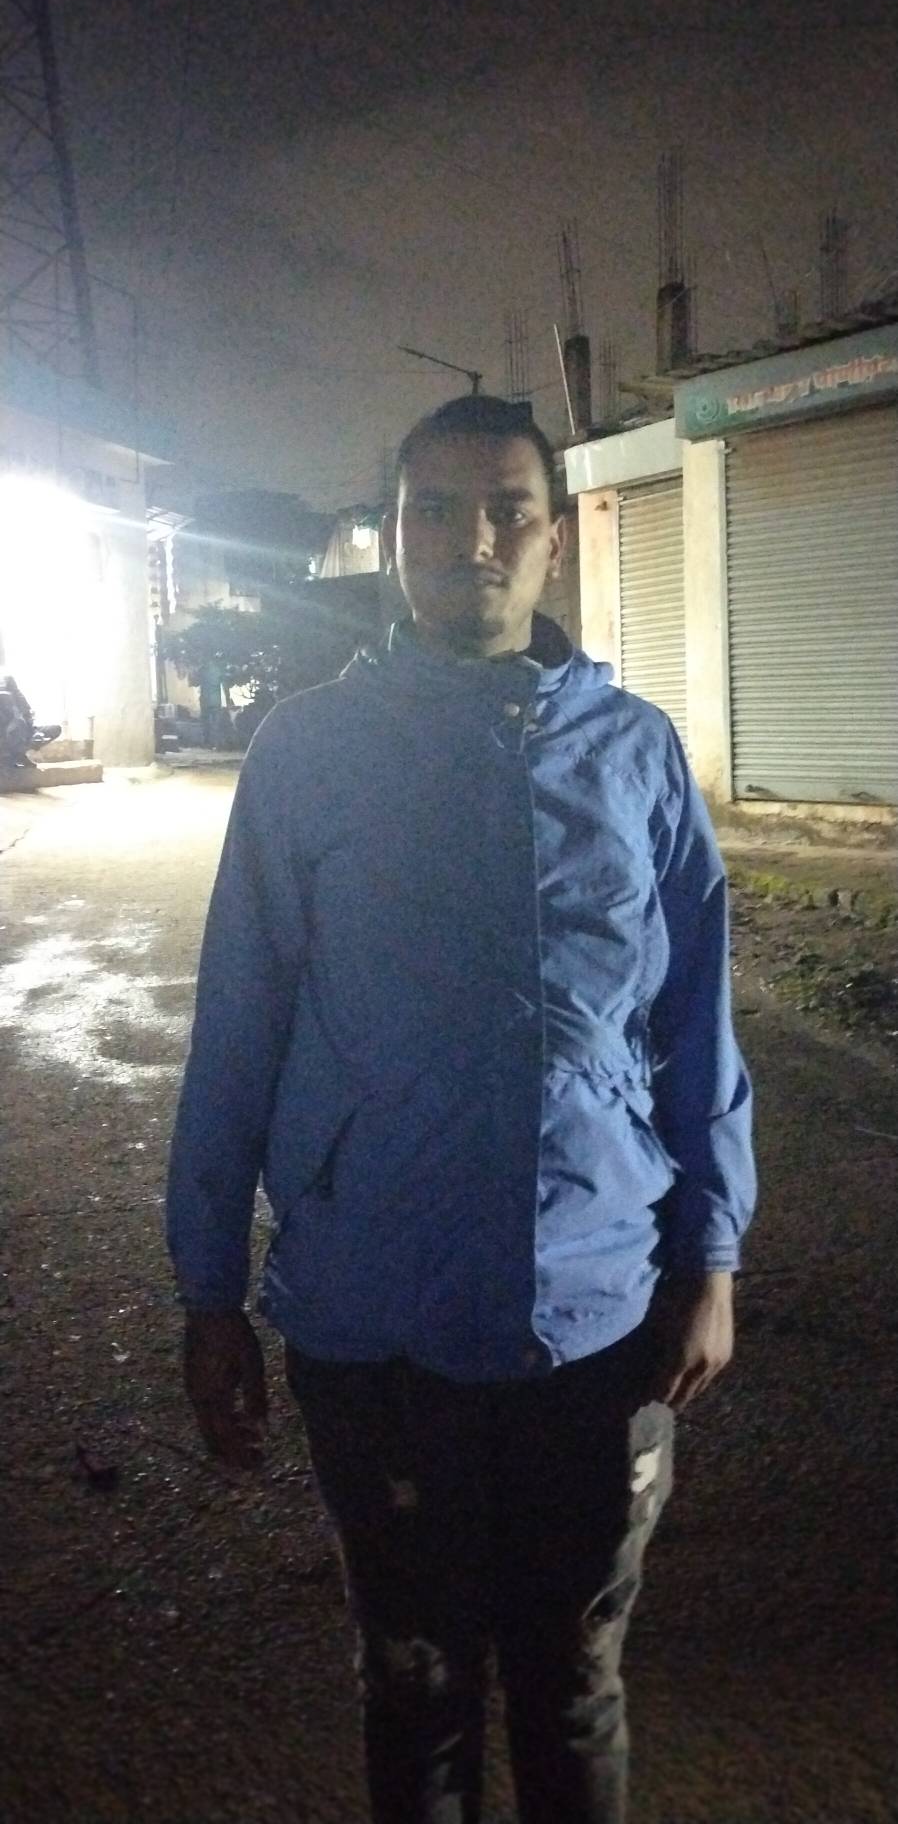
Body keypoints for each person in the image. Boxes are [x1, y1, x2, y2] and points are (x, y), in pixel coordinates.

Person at [167, 393, 756, 1824]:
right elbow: (239, 1026)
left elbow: (695, 1030)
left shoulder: (635, 755)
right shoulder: (309, 752)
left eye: (506, 509)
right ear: (392, 537)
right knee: (415, 1678)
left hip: (598, 1311)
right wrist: (207, 1290)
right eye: (433, 509)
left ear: (553, 539)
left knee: (573, 1678)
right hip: (375, 1316)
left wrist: (711, 1259)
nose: (470, 539)